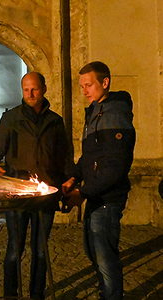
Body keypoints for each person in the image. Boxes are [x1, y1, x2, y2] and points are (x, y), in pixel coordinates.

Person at [0, 71, 72, 299]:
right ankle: (10, 294)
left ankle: (36, 294)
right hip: (17, 194)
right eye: (26, 90)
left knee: (40, 250)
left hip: (46, 193)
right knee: (15, 248)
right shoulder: (12, 118)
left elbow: (64, 157)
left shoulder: (55, 122)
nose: (30, 94)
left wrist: (68, 181)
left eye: (34, 89)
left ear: (43, 88)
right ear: (22, 91)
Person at [62, 61, 136, 300]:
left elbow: (114, 165)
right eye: (82, 86)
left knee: (105, 258)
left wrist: (82, 193)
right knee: (93, 251)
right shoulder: (95, 112)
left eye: (89, 85)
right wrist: (74, 177)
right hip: (95, 195)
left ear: (105, 82)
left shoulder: (115, 113)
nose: (84, 91)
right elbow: (90, 157)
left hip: (107, 199)